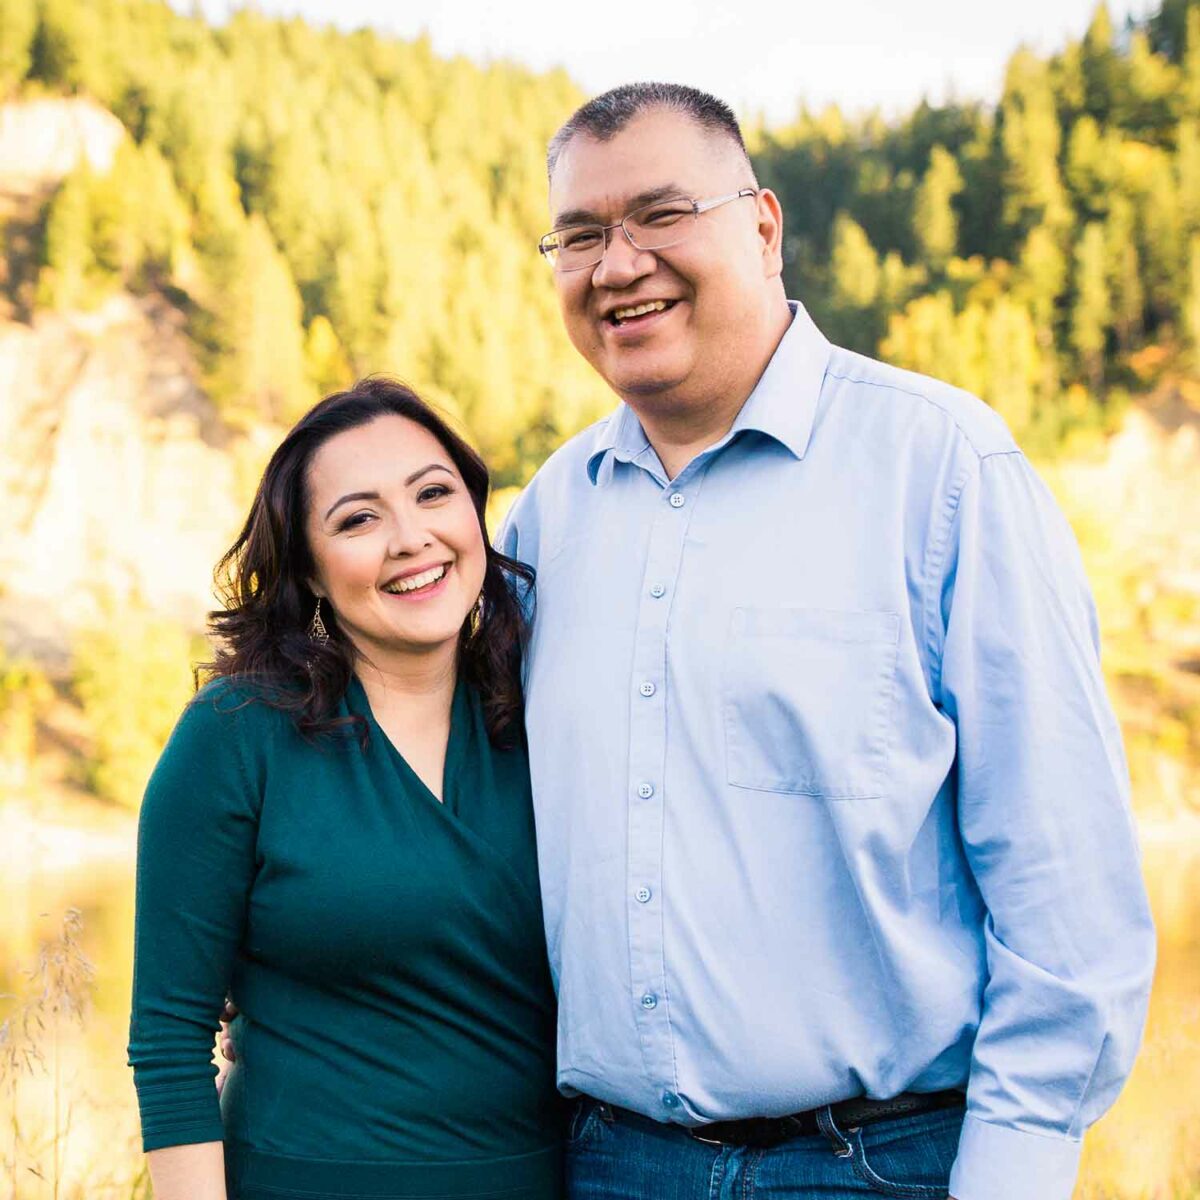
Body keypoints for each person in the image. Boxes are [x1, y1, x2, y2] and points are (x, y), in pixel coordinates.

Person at [495, 83, 1157, 1200]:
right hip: (606, 1165)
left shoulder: (941, 469)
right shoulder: (550, 518)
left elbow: (1065, 888)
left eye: (660, 215)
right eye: (580, 234)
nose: (617, 265)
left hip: (880, 1167)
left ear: (762, 225)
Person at [127, 378, 562, 1200]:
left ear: (475, 513)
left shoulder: (552, 713)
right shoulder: (238, 732)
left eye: (434, 495)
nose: (411, 538)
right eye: (358, 519)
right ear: (312, 573)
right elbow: (168, 1038)